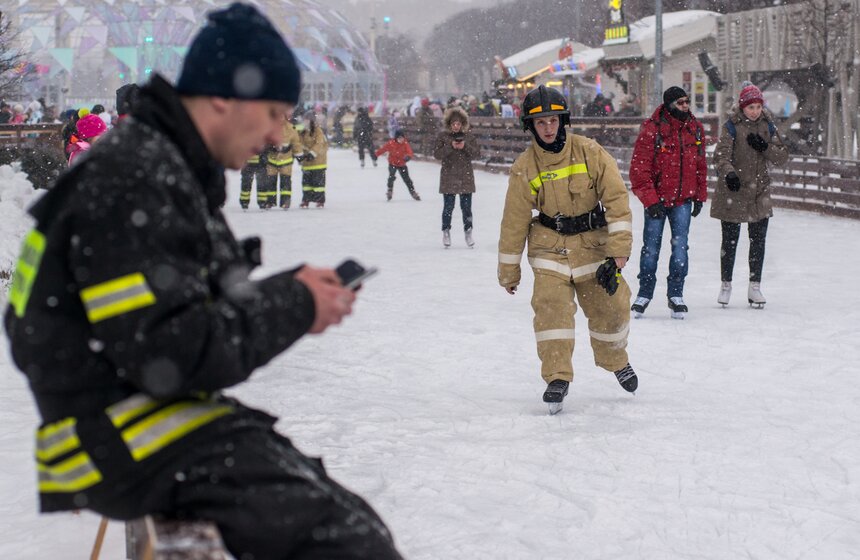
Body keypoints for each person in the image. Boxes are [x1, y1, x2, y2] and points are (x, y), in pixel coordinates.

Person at [3, 4, 402, 559]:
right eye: (273, 113)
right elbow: (174, 352)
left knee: (351, 522)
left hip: (129, 419)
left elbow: (174, 319)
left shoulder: (161, 164)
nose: (278, 134)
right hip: (119, 435)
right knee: (346, 544)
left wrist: (293, 289)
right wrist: (294, 304)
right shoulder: (137, 177)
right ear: (223, 97)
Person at [497, 85, 637, 415]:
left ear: (564, 120)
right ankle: (557, 377)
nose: (548, 127)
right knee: (551, 311)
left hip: (593, 246)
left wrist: (618, 251)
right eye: (540, 122)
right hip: (550, 249)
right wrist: (509, 270)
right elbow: (514, 221)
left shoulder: (591, 152)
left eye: (553, 120)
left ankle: (615, 360)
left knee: (613, 307)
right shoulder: (524, 167)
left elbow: (617, 201)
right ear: (530, 127)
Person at [628, 86, 708, 319]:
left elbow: (700, 166)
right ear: (670, 104)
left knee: (680, 248)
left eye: (687, 102)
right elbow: (639, 169)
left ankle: (676, 293)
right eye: (681, 102)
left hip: (682, 200)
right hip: (657, 200)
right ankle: (644, 293)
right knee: (650, 249)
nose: (686, 106)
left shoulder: (695, 129)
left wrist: (700, 196)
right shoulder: (652, 130)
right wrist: (651, 200)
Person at [711, 81, 788, 308]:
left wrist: (764, 146)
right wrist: (730, 174)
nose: (755, 111)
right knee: (730, 241)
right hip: (733, 190)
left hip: (759, 193)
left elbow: (782, 156)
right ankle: (726, 285)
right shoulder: (731, 126)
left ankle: (755, 286)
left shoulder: (768, 125)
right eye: (750, 107)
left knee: (758, 240)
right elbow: (720, 157)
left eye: (758, 107)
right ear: (742, 107)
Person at [434, 106, 479, 248]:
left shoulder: (469, 136)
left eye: (458, 124)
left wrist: (464, 146)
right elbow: (436, 154)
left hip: (466, 177)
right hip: (448, 176)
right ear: (449, 124)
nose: (456, 126)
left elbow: (477, 153)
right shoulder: (442, 136)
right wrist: (450, 146)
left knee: (466, 208)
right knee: (448, 207)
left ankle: (468, 231)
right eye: (453, 124)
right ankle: (446, 231)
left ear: (462, 124)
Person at [264, 116, 303, 209]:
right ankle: (270, 201)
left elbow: (296, 143)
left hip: (286, 160)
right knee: (271, 182)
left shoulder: (290, 128)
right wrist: (268, 148)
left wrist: (299, 156)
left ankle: (285, 201)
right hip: (272, 160)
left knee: (285, 182)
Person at [375, 130, 421, 202]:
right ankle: (390, 190)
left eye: (402, 138)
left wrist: (408, 156)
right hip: (392, 163)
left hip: (402, 164)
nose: (401, 140)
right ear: (396, 138)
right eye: (399, 138)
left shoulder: (405, 143)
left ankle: (413, 192)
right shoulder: (391, 143)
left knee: (407, 179)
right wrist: (376, 155)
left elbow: (410, 152)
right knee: (391, 176)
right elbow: (383, 149)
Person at [297, 110, 328, 208]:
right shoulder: (302, 132)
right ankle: (306, 200)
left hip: (318, 162)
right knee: (306, 184)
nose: (305, 122)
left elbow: (319, 144)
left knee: (318, 184)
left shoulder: (318, 131)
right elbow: (298, 143)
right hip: (306, 163)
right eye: (304, 120)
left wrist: (312, 153)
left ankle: (320, 201)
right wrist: (299, 154)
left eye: (307, 120)